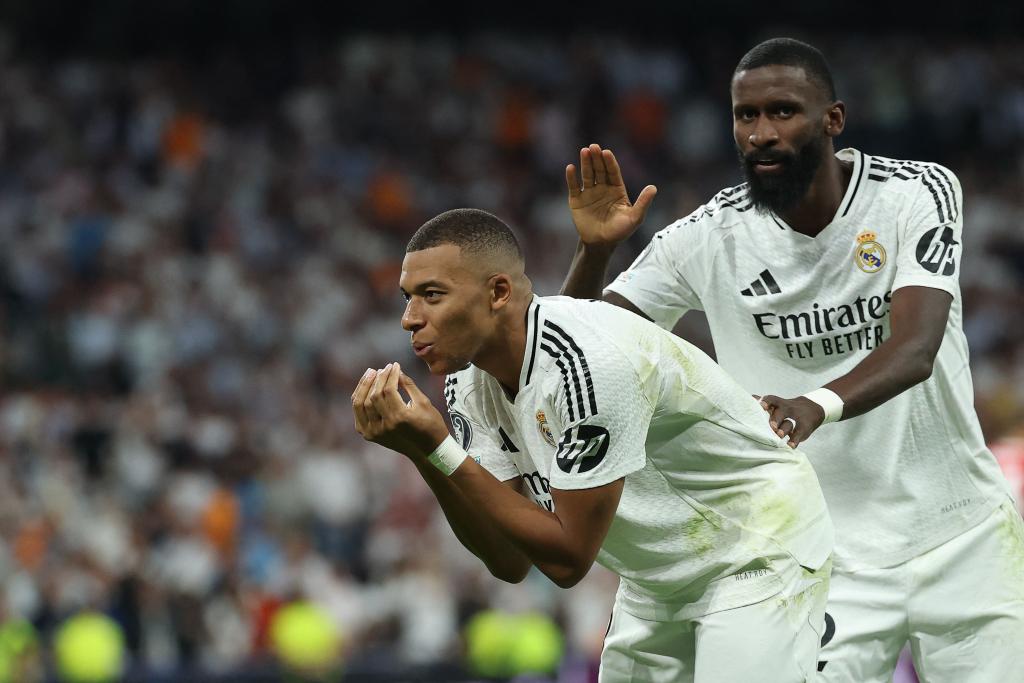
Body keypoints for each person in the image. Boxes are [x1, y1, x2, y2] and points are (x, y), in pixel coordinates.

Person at [560, 37, 1024, 681]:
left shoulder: (914, 192)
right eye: (745, 116)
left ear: (832, 119)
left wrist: (814, 406)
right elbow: (580, 352)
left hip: (963, 537)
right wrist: (594, 253)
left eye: (782, 111)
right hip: (822, 553)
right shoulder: (708, 235)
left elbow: (917, 347)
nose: (761, 133)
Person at [351, 208, 834, 682]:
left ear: (497, 292)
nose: (409, 319)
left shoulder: (590, 363)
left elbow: (567, 560)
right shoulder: (467, 381)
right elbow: (508, 559)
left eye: (432, 295)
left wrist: (439, 445)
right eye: (408, 297)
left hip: (753, 551)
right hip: (658, 578)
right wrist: (425, 452)